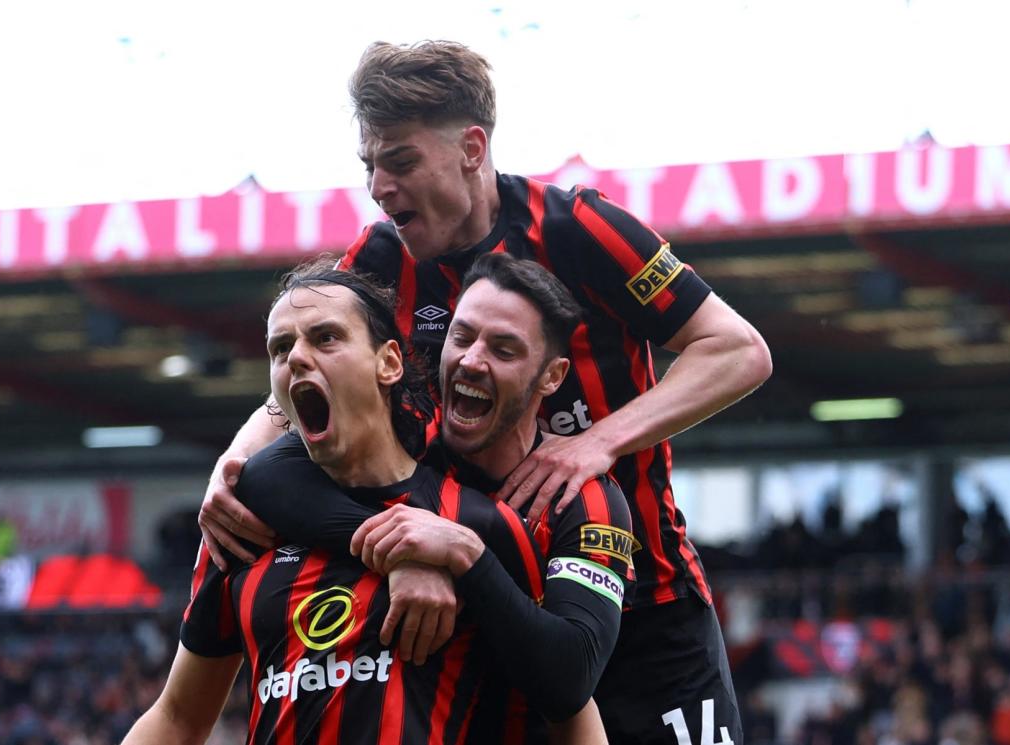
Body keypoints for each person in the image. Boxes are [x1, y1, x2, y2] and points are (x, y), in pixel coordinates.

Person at [200, 40, 772, 744]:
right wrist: (237, 460)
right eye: (369, 165)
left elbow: (738, 349)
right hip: (499, 614)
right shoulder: (378, 263)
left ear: (472, 148)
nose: (379, 186)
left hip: (648, 606)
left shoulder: (578, 229)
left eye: (400, 160)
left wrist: (595, 443)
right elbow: (310, 370)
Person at [126, 260, 622, 744]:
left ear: (388, 362)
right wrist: (396, 549)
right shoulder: (246, 521)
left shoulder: (489, 525)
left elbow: (569, 699)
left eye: (326, 338)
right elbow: (177, 717)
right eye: (280, 348)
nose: (297, 356)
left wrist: (461, 559)